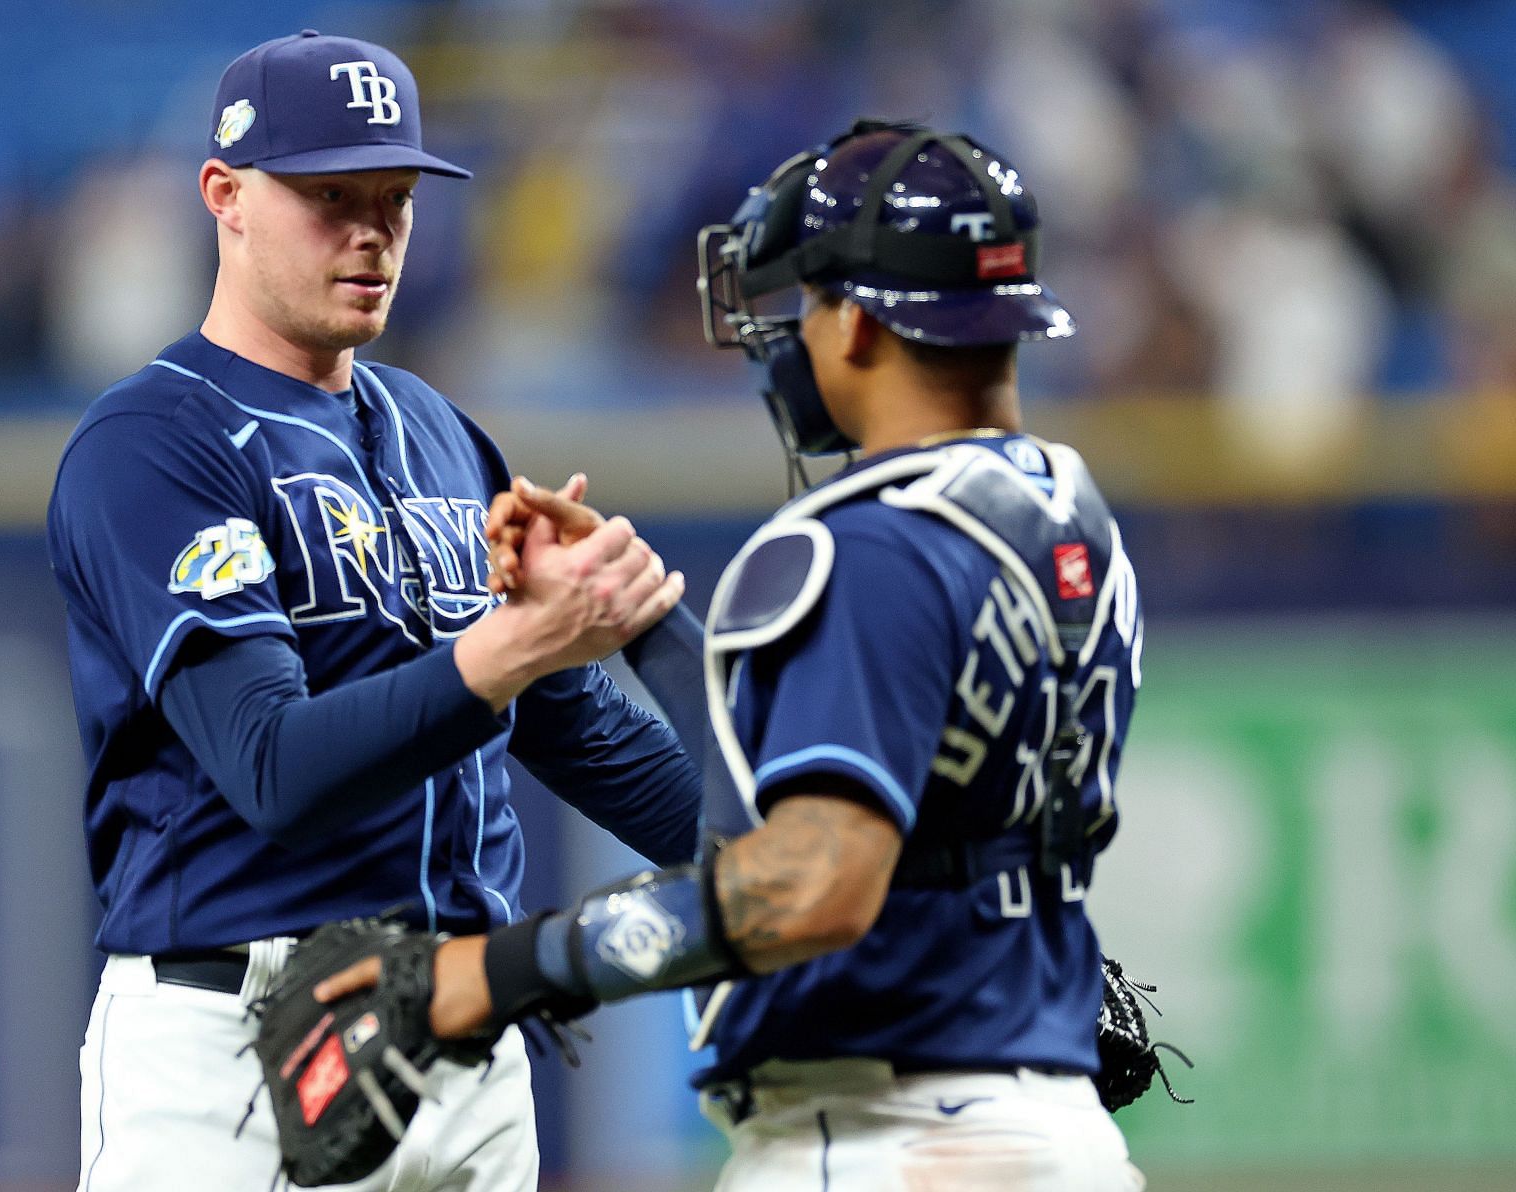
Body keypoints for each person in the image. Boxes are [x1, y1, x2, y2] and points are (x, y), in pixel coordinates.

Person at [322, 120, 1149, 1189]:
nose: (789, 337)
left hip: (882, 1136)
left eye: (803, 303)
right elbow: (869, 792)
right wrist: (649, 622)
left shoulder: (871, 544)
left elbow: (810, 886)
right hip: (1046, 1119)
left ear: (855, 323)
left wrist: (493, 972)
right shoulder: (1066, 517)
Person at [44, 30, 703, 1192]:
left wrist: (848, 857)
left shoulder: (441, 431)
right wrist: (507, 650)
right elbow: (274, 769)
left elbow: (582, 732)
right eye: (328, 195)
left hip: (460, 1038)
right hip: (234, 1046)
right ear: (226, 196)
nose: (371, 231)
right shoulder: (154, 443)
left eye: (393, 196)